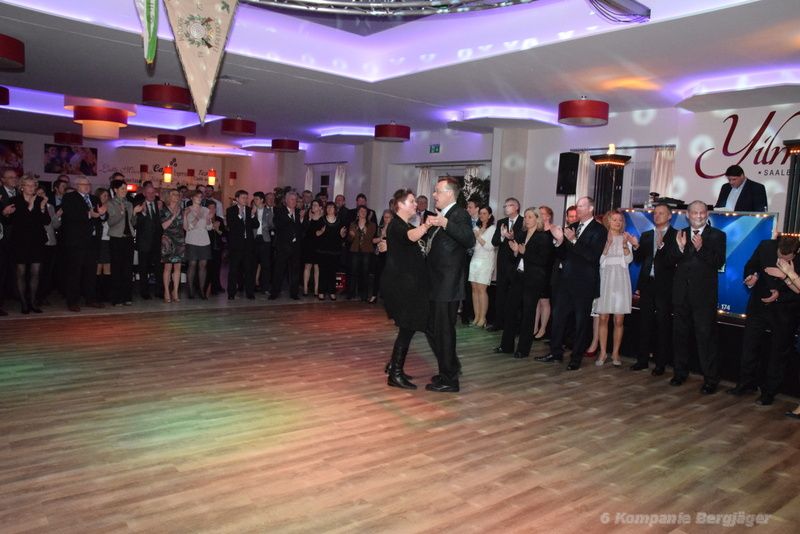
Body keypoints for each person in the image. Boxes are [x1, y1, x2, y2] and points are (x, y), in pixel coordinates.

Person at [727, 236, 800, 406]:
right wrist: (751, 277)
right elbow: (751, 265)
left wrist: (779, 294)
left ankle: (769, 392)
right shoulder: (766, 246)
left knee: (778, 353)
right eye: (780, 255)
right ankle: (745, 383)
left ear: (796, 253)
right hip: (759, 305)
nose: (782, 260)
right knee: (749, 345)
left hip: (785, 311)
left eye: (787, 258)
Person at [537, 197, 607, 370]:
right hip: (565, 280)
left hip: (584, 283)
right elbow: (562, 255)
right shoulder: (573, 227)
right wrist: (559, 241)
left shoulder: (599, 230)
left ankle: (576, 358)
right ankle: (555, 352)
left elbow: (592, 256)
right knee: (558, 317)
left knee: (581, 322)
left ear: (590, 208)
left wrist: (574, 240)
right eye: (578, 206)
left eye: (582, 206)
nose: (579, 208)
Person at [667, 200, 727, 394]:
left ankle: (710, 379)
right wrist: (679, 248)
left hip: (704, 297)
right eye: (695, 213)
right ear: (688, 214)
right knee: (680, 336)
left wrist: (701, 248)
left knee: (706, 338)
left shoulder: (717, 235)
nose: (699, 216)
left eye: (702, 213)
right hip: (681, 295)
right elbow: (669, 261)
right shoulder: (679, 233)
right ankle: (680, 373)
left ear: (707, 214)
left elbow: (718, 262)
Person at [424, 177, 476, 392]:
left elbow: (469, 239)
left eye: (437, 191)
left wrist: (445, 223)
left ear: (449, 193)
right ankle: (449, 367)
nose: (434, 195)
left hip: (448, 284)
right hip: (437, 283)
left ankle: (450, 380)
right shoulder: (443, 216)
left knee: (444, 331)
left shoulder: (459, 214)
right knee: (431, 327)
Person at [381, 189, 432, 389]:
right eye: (412, 201)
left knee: (408, 328)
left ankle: (394, 367)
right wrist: (427, 225)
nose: (415, 204)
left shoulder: (404, 224)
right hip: (401, 285)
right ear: (400, 205)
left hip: (408, 284)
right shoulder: (397, 225)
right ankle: (395, 374)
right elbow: (410, 236)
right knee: (407, 327)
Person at [495, 207, 555, 359]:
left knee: (528, 314)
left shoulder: (543, 237)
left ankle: (523, 349)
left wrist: (524, 252)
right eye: (526, 217)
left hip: (533, 279)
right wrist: (516, 252)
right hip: (518, 277)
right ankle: (506, 346)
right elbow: (514, 258)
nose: (527, 220)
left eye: (530, 217)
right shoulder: (521, 234)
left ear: (537, 219)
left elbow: (543, 260)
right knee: (510, 310)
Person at [630, 203, 677, 374]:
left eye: (661, 213)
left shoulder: (676, 235)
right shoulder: (647, 235)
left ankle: (660, 363)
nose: (657, 216)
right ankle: (642, 360)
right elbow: (639, 260)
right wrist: (636, 246)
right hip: (647, 284)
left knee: (663, 325)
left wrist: (662, 247)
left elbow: (674, 260)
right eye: (655, 213)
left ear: (669, 216)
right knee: (645, 323)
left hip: (665, 285)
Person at [594, 210, 634, 367]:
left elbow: (629, 260)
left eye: (620, 220)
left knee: (619, 320)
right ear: (608, 221)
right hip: (605, 279)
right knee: (603, 318)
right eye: (614, 219)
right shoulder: (602, 237)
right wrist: (607, 244)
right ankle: (603, 352)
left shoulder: (626, 237)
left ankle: (616, 353)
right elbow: (598, 261)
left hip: (621, 280)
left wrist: (625, 245)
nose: (617, 222)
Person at [61, 177, 106, 312]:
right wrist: (89, 214)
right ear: (76, 186)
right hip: (77, 241)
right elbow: (70, 215)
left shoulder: (94, 199)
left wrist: (102, 215)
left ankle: (90, 299)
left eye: (88, 184)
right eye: (83, 184)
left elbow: (102, 215)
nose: (86, 186)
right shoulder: (69, 197)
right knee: (75, 272)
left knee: (90, 272)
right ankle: (72, 301)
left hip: (92, 241)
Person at [8, 175, 50, 314]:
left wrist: (42, 208)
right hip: (20, 241)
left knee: (36, 272)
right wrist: (30, 207)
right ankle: (24, 303)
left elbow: (46, 221)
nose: (32, 188)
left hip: (36, 241)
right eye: (29, 185)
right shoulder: (15, 201)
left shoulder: (40, 200)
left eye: (34, 185)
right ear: (22, 187)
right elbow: (15, 221)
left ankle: (32, 301)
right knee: (21, 272)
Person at [489, 197, 524, 331]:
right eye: (505, 206)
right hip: (503, 263)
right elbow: (494, 242)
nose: (506, 208)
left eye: (509, 205)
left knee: (515, 295)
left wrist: (513, 237)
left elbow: (524, 241)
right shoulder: (501, 222)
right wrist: (503, 236)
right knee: (500, 293)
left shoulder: (523, 221)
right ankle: (498, 323)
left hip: (517, 263)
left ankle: (514, 325)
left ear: (516, 207)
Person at [106, 179, 140, 306]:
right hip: (116, 238)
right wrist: (121, 213)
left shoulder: (129, 203)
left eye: (125, 189)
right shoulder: (110, 203)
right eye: (122, 188)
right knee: (117, 268)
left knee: (127, 268)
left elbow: (133, 222)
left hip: (128, 238)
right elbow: (111, 222)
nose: (125, 191)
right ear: (115, 190)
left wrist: (134, 213)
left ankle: (127, 296)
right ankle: (116, 298)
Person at [271, 191, 304, 300]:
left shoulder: (299, 212)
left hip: (296, 247)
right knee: (279, 270)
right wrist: (290, 216)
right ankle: (275, 292)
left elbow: (302, 230)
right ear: (286, 200)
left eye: (295, 200)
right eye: (292, 199)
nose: (294, 202)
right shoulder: (279, 211)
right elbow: (278, 225)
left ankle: (294, 294)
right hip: (283, 246)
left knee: (295, 271)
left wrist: (302, 219)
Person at [226, 190, 258, 300]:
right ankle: (231, 293)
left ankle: (250, 292)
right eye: (243, 197)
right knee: (234, 270)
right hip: (236, 245)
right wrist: (239, 216)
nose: (245, 200)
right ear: (237, 199)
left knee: (249, 269)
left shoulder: (249, 210)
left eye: (246, 197)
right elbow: (231, 225)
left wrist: (253, 215)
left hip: (248, 245)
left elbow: (256, 225)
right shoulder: (231, 210)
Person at [468, 205, 496, 328]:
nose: (482, 216)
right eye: (480, 213)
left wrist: (478, 237)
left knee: (481, 289)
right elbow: (473, 246)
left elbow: (490, 247)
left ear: (490, 215)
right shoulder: (476, 227)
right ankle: (476, 316)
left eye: (484, 213)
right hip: (475, 259)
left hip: (486, 260)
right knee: (474, 289)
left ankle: (483, 318)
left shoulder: (493, 228)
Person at [134, 184, 163, 300]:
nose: (151, 195)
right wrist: (143, 213)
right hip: (144, 242)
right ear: (144, 193)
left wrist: (161, 211)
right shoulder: (138, 205)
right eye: (149, 192)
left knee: (158, 268)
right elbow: (135, 223)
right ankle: (144, 292)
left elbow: (162, 222)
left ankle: (159, 291)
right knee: (143, 268)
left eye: (153, 192)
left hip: (157, 242)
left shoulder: (159, 205)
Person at [183, 190, 214, 299]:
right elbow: (186, 228)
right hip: (192, 240)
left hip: (204, 240)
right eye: (197, 196)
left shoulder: (206, 210)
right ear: (192, 198)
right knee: (192, 264)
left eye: (201, 197)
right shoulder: (187, 210)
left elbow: (209, 227)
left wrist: (208, 220)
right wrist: (196, 218)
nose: (199, 198)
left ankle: (202, 290)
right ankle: (190, 290)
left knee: (203, 265)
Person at [316, 202, 346, 301]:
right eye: (328, 207)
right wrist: (321, 231)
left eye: (332, 207)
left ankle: (332, 292)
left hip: (335, 251)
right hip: (323, 250)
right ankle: (321, 292)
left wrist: (342, 234)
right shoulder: (321, 220)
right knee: (323, 272)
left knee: (333, 272)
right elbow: (316, 234)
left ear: (335, 209)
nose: (329, 209)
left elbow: (343, 236)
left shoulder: (340, 221)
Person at [534, 205, 555, 339]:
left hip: (548, 269)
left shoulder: (554, 230)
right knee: (536, 300)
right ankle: (534, 327)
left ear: (548, 216)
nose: (540, 216)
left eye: (542, 213)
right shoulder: (537, 231)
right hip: (536, 269)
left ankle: (543, 329)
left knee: (544, 300)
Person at [346, 205, 376, 301]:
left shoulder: (372, 225)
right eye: (361, 211)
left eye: (365, 211)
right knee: (353, 272)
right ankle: (351, 293)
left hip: (366, 251)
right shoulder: (353, 224)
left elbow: (370, 239)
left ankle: (364, 294)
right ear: (358, 213)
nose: (363, 213)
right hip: (355, 250)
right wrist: (351, 235)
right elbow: (349, 240)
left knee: (365, 273)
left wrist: (364, 232)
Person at [160, 189, 185, 303]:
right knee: (168, 267)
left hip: (179, 240)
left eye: (177, 194)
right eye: (173, 194)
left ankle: (175, 291)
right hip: (168, 240)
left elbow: (184, 226)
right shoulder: (163, 210)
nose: (176, 196)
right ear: (168, 196)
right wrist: (173, 217)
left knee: (178, 267)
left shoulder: (181, 210)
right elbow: (163, 226)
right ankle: (166, 291)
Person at [252, 191, 274, 295]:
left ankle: (265, 287)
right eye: (254, 199)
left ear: (261, 200)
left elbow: (272, 225)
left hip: (265, 240)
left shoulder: (268, 211)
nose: (255, 201)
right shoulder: (251, 211)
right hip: (254, 239)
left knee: (265, 265)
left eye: (257, 199)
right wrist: (252, 214)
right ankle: (252, 285)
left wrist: (267, 225)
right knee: (253, 263)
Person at [369, 209, 393, 304]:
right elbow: (373, 240)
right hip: (379, 254)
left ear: (392, 218)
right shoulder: (380, 227)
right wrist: (380, 238)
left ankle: (388, 296)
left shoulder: (394, 229)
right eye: (384, 217)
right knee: (377, 275)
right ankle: (374, 295)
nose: (386, 219)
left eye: (388, 217)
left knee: (389, 276)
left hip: (390, 255)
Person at [302, 199, 323, 296]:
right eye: (312, 205)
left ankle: (316, 289)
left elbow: (323, 233)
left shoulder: (323, 219)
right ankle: (305, 289)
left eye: (315, 205)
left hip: (319, 245)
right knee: (307, 266)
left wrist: (319, 233)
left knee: (317, 267)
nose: (313, 207)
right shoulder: (308, 217)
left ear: (320, 207)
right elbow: (304, 231)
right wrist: (309, 219)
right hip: (308, 244)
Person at [95, 188, 112, 302]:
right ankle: (96, 294)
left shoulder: (110, 207)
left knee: (107, 267)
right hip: (99, 240)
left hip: (109, 239)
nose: (106, 198)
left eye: (107, 195)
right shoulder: (95, 207)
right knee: (98, 266)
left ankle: (106, 294)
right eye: (104, 195)